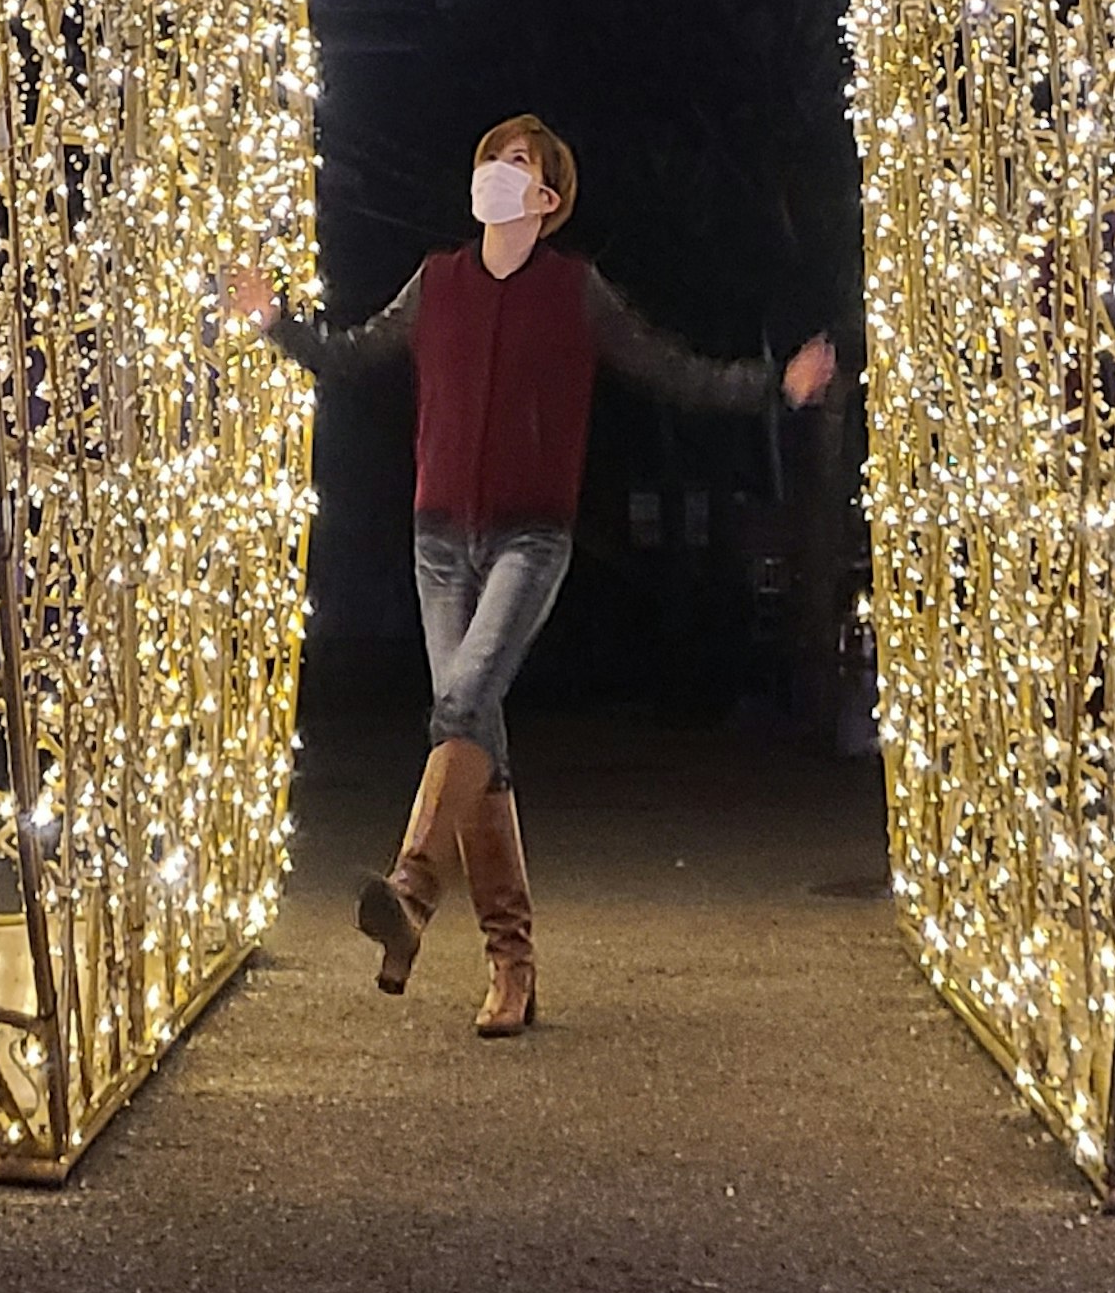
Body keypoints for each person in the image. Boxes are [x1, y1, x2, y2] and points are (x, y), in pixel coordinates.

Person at [224, 113, 840, 1037]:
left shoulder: (574, 292)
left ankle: (413, 892)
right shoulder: (436, 284)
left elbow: (669, 368)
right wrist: (276, 323)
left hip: (529, 538)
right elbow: (352, 356)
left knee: (462, 706)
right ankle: (511, 970)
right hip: (437, 536)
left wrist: (769, 386)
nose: (495, 177)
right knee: (481, 747)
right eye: (489, 162)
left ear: (547, 199)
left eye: (514, 166)